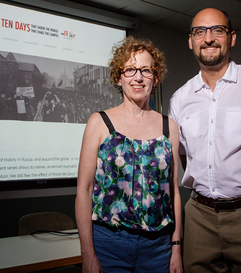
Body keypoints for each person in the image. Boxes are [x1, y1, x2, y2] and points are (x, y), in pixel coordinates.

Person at [169, 8, 241, 273]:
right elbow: (185, 156)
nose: (208, 38)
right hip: (199, 218)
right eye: (200, 31)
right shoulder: (180, 98)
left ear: (231, 38)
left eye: (217, 30)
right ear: (191, 41)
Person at [75, 36, 183, 273]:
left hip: (158, 248)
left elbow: (173, 192)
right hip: (109, 244)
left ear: (155, 77)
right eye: (130, 69)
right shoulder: (99, 122)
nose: (138, 77)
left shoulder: (169, 127)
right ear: (118, 76)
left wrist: (176, 248)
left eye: (146, 69)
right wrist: (88, 254)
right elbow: (83, 190)